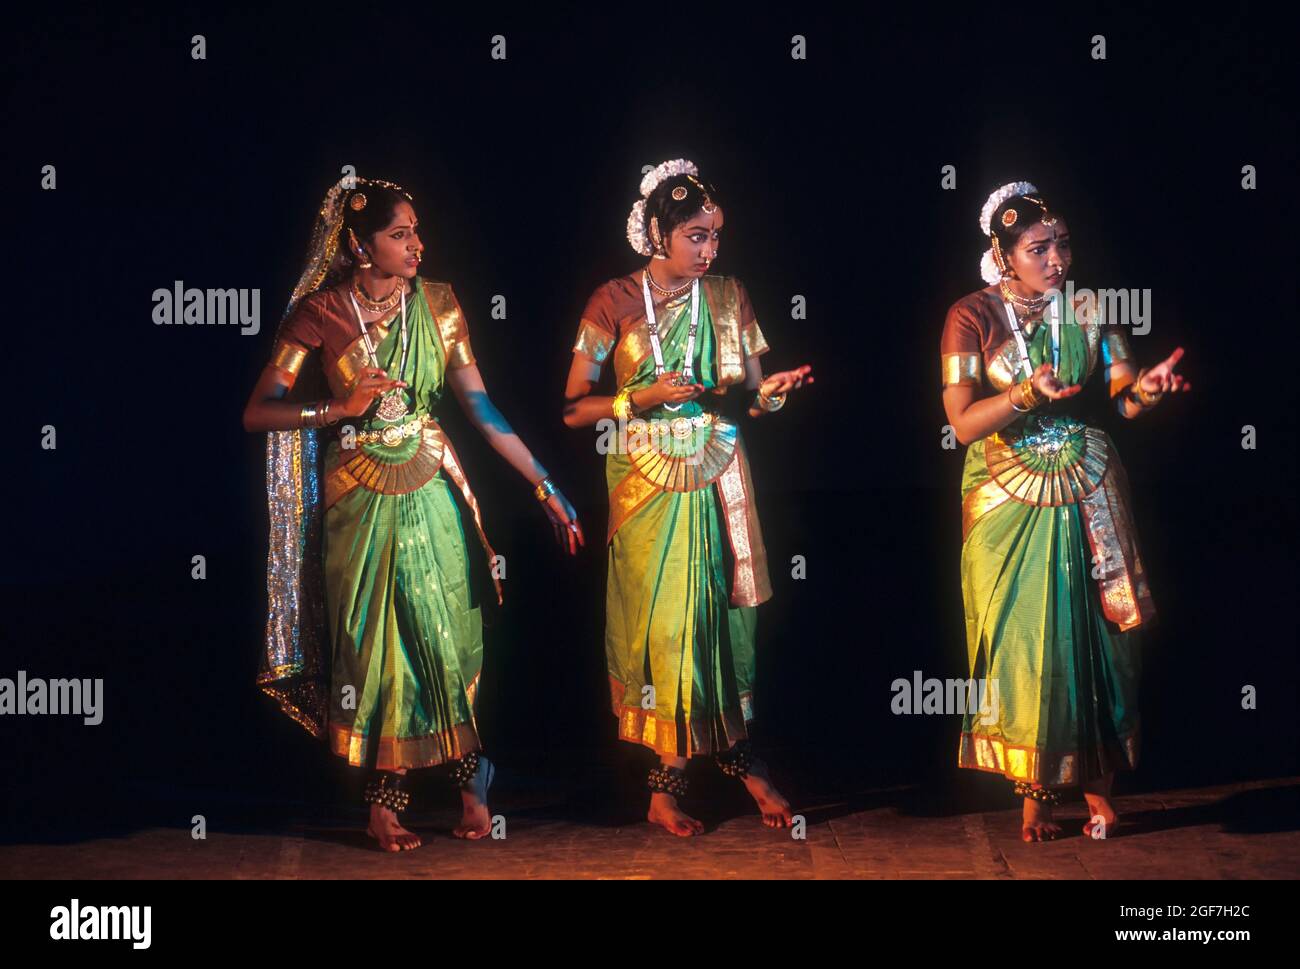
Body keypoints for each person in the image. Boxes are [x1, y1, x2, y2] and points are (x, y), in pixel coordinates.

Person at [244, 175, 584, 851]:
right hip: (357, 492)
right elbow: (259, 410)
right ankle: (384, 802)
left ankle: (470, 778)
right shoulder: (319, 311)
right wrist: (334, 410)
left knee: (445, 629)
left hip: (430, 481)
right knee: (375, 646)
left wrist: (546, 487)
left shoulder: (442, 304)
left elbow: (481, 409)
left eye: (417, 230)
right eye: (400, 234)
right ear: (360, 244)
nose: (417, 245)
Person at [562, 159, 813, 836]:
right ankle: (667, 786)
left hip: (719, 467)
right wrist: (639, 397)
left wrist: (771, 392)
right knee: (669, 631)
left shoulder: (730, 295)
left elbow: (752, 395)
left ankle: (737, 764)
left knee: (723, 623)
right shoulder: (611, 300)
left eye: (715, 236)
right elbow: (573, 410)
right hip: (644, 482)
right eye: (696, 236)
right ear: (657, 234)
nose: (710, 249)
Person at [940, 181, 1191, 842]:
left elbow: (1123, 400)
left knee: (1102, 638)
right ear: (1004, 253)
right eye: (1038, 247)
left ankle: (1099, 790)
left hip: (1089, 485)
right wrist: (1026, 393)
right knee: (1029, 646)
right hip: (1006, 498)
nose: (1057, 258)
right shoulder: (971, 315)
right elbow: (963, 423)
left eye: (1063, 244)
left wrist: (1150, 391)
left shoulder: (1088, 307)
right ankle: (1035, 800)